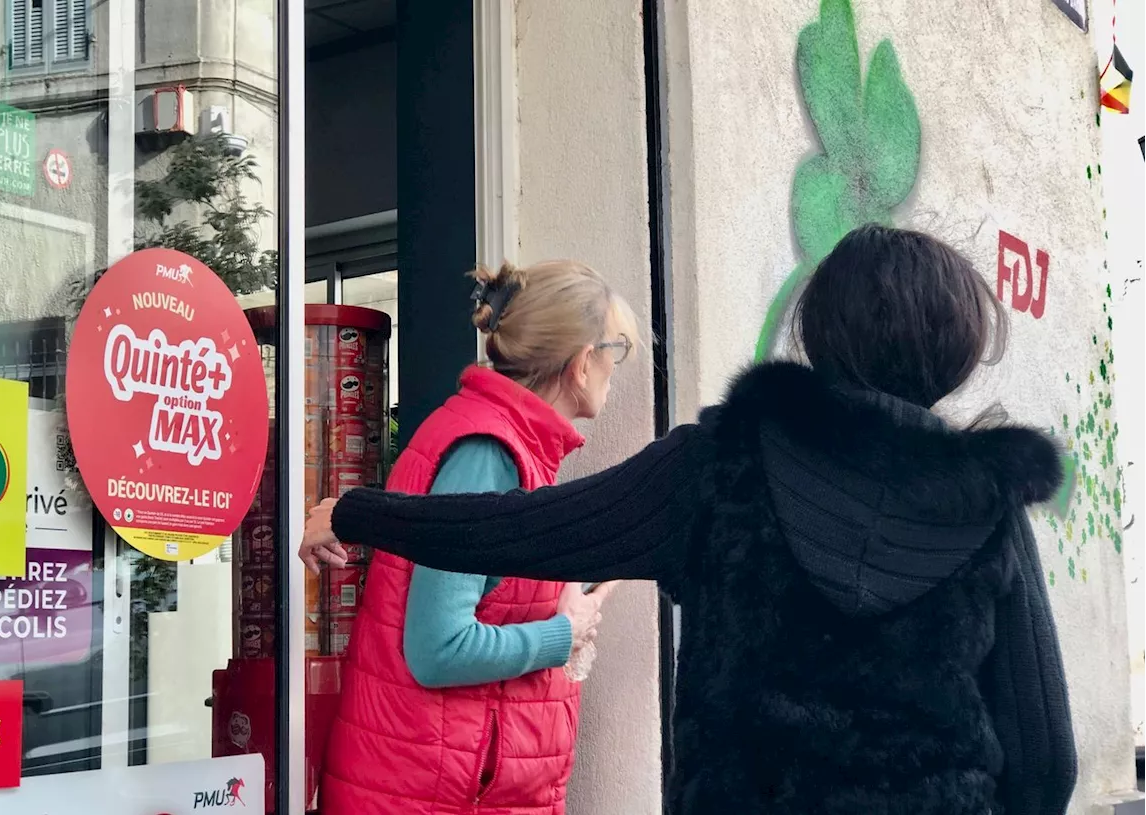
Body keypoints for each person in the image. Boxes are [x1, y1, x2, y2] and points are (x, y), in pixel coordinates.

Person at [303, 225, 1078, 815]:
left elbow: (518, 527)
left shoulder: (719, 464)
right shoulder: (988, 506)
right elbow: (1047, 760)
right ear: (959, 347)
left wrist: (359, 510)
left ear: (821, 332)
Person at [301, 259, 637, 814]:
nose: (614, 369)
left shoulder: (509, 447)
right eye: (615, 351)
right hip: (428, 797)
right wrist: (564, 633)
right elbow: (439, 648)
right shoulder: (488, 454)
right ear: (581, 364)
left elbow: (494, 595)